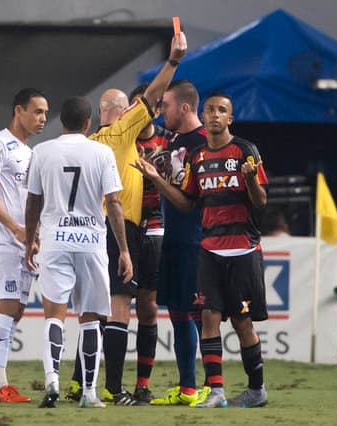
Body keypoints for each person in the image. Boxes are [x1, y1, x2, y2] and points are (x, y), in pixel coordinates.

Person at [63, 32, 188, 407]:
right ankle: (113, 389)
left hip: (78, 232)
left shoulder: (80, 146)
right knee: (120, 309)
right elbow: (150, 99)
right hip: (117, 230)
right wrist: (173, 62)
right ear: (120, 114)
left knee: (90, 311)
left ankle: (79, 382)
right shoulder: (120, 136)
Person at [133, 92, 269, 408]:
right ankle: (217, 391)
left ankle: (256, 389)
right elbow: (186, 202)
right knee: (208, 315)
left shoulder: (245, 151)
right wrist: (157, 179)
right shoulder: (198, 157)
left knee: (242, 322)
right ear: (203, 116)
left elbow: (261, 200)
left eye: (222, 111)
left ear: (230, 119)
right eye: (210, 110)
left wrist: (249, 181)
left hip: (242, 249)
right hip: (208, 249)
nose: (215, 115)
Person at [24, 96, 133, 409]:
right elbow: (113, 203)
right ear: (89, 123)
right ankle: (88, 392)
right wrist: (124, 249)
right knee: (89, 319)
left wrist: (30, 240)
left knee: (53, 315)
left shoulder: (42, 151)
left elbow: (33, 201)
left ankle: (53, 380)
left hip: (55, 241)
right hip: (90, 242)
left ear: (62, 121)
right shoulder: (101, 152)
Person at [0, 88, 49, 403]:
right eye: (37, 111)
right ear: (18, 110)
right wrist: (15, 228)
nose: (43, 118)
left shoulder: (31, 154)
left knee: (15, 309)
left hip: (23, 242)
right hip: (2, 241)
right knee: (6, 307)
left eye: (45, 113)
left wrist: (33, 235)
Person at [150, 80, 210, 407]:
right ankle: (189, 388)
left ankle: (206, 387)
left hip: (195, 239)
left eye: (166, 106)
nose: (162, 112)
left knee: (197, 314)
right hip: (174, 238)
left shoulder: (204, 144)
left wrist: (156, 179)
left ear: (184, 107)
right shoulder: (174, 142)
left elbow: (190, 201)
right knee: (178, 313)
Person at [127, 83, 176, 402]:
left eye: (149, 105)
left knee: (148, 307)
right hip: (122, 229)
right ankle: (89, 382)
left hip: (156, 230)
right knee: (106, 310)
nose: (143, 109)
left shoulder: (169, 142)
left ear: (157, 109)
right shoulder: (120, 139)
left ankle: (142, 384)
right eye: (138, 104)